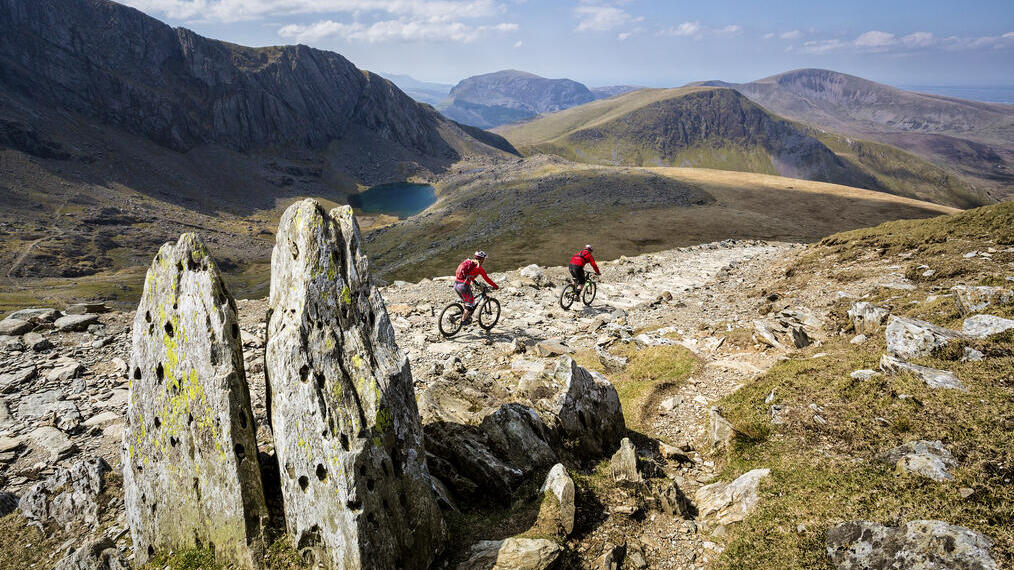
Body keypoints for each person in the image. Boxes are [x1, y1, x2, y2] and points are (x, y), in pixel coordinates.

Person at [454, 250, 499, 325]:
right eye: (484, 259)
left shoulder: (470, 263)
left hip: (456, 284)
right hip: (463, 286)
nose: (484, 260)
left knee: (465, 301)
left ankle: (463, 314)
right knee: (471, 304)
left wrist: (474, 281)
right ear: (482, 259)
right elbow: (487, 279)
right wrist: (495, 286)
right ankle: (463, 321)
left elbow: (469, 275)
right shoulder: (479, 268)